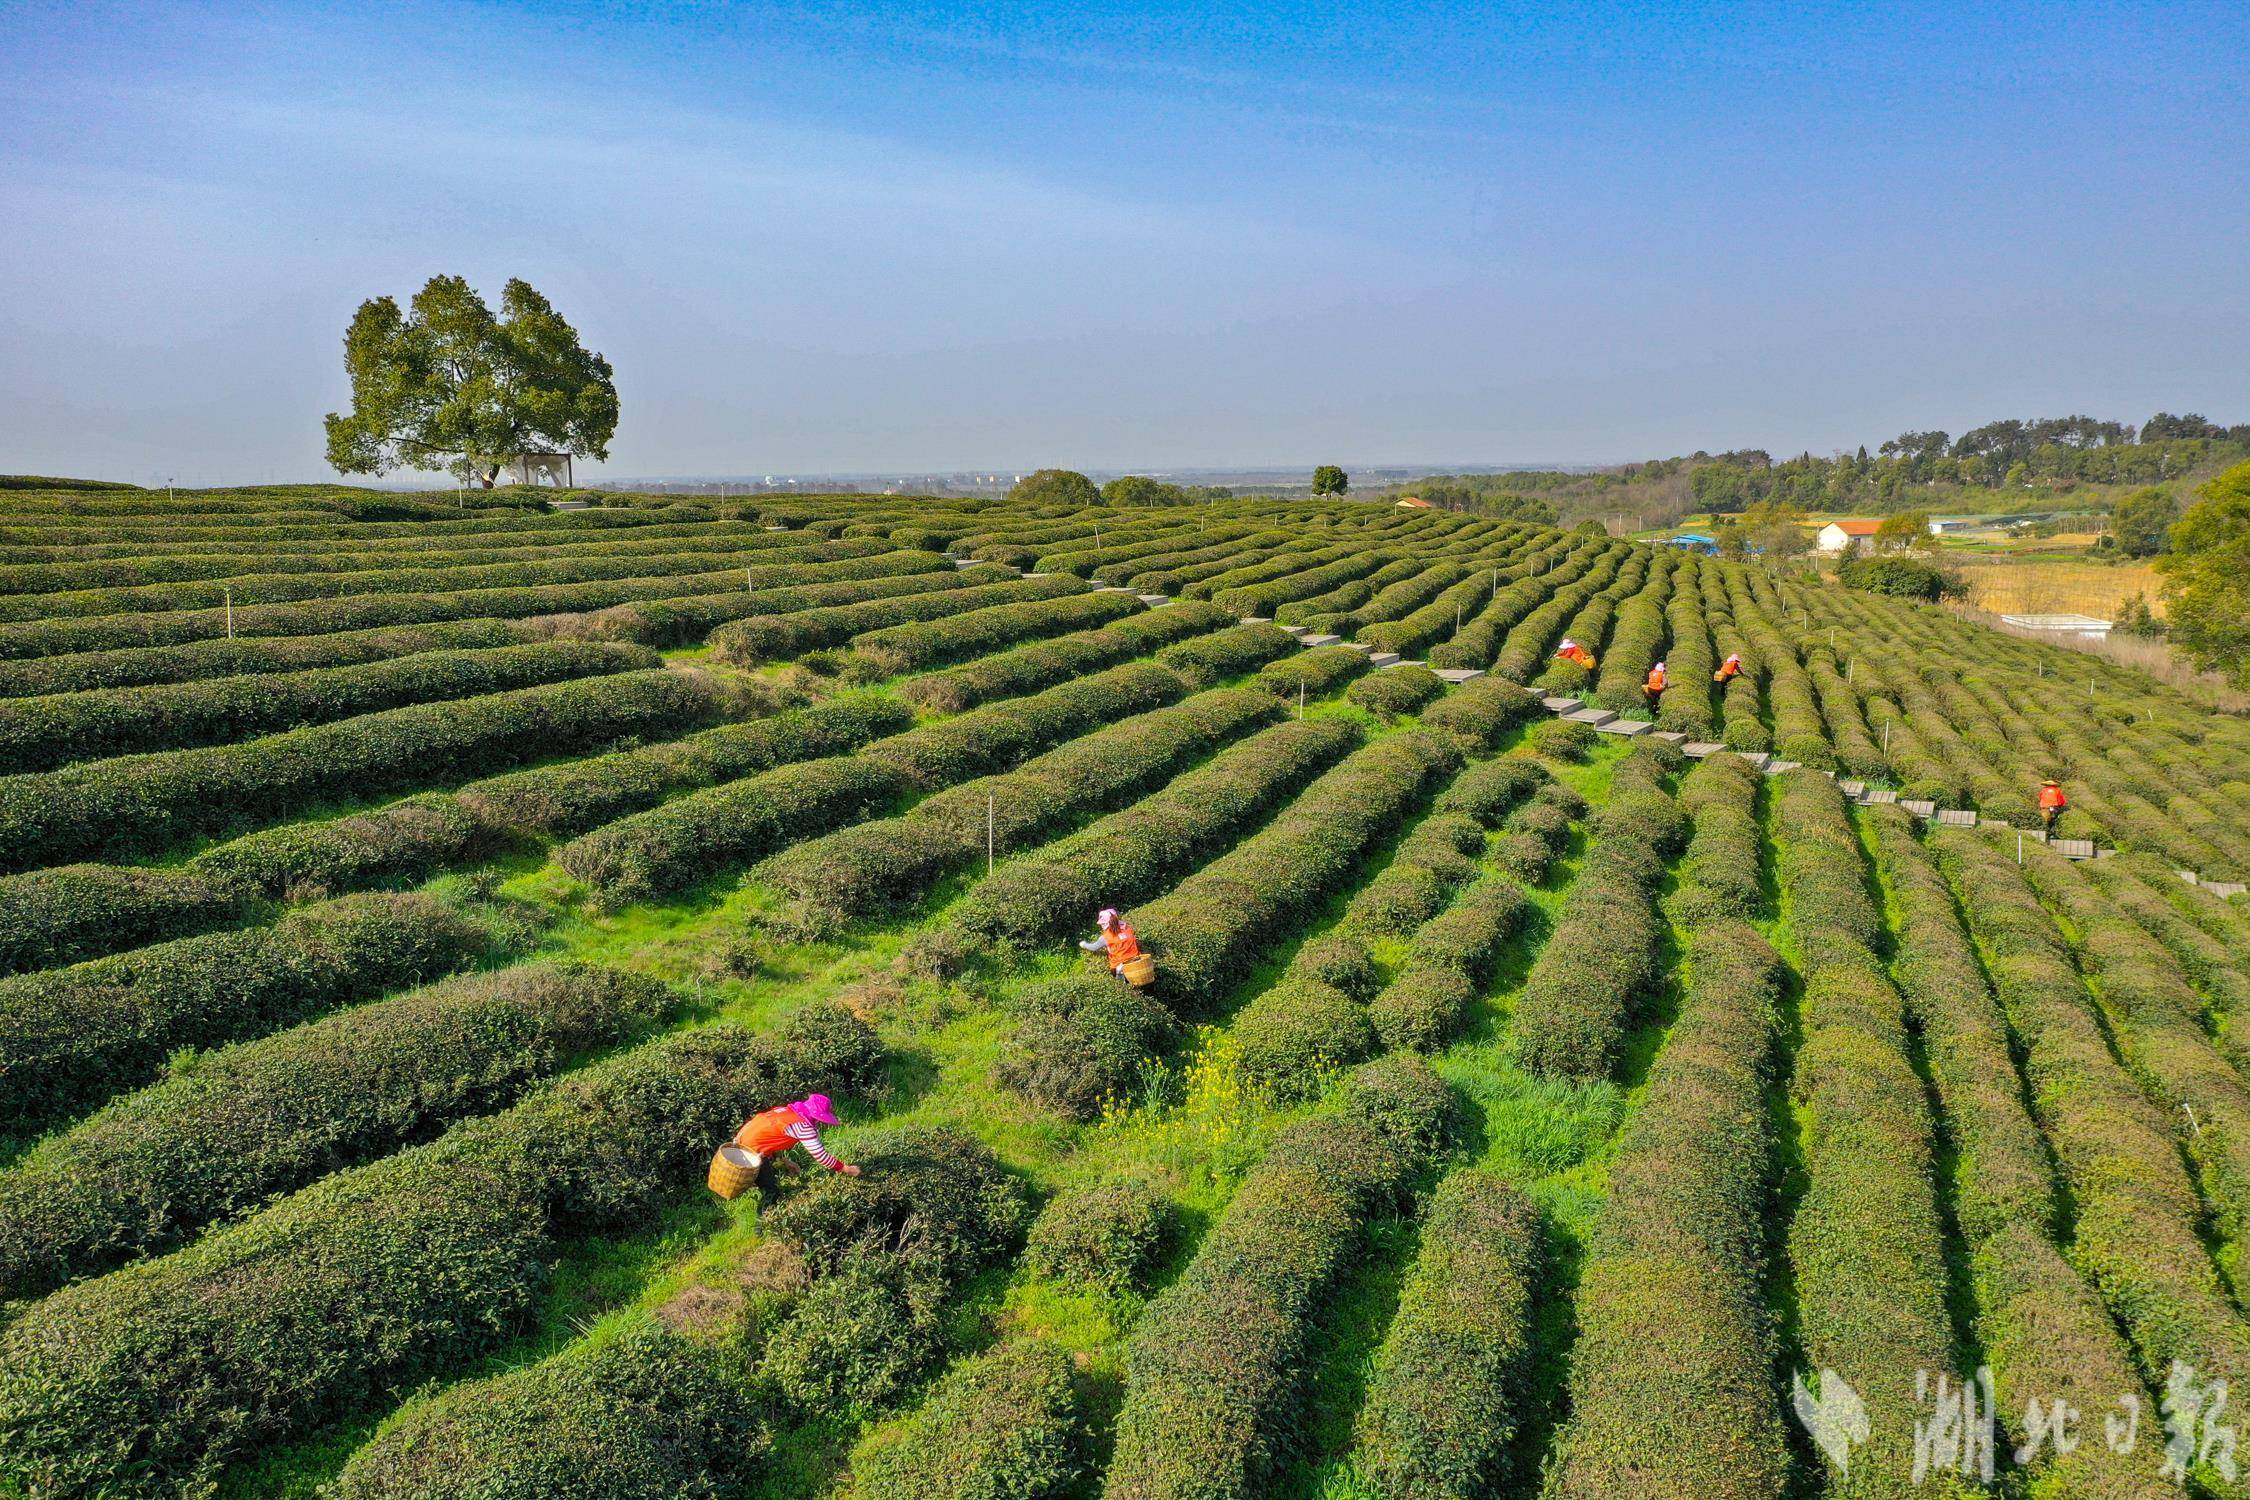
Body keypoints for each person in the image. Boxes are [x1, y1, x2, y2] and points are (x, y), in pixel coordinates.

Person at [733, 1093, 861, 1179]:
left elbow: (769, 1136)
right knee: (770, 1191)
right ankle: (766, 1216)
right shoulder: (803, 1126)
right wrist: (845, 1168)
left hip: (741, 1140)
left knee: (768, 1181)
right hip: (749, 1153)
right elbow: (820, 1155)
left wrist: (785, 1161)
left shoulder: (787, 1111)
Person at [1079, 907, 1142, 977]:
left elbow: (1094, 947)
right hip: (1136, 963)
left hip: (1120, 968)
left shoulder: (1106, 937)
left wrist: (1083, 944)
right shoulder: (1127, 928)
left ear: (1104, 923)